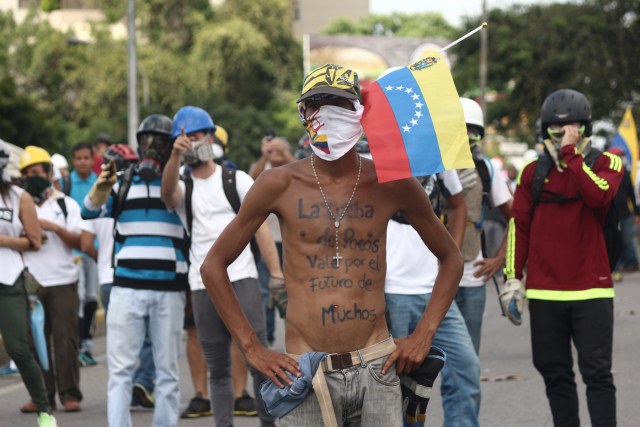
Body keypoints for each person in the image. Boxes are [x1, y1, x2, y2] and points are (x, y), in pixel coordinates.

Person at [200, 63, 463, 426]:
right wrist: (252, 349)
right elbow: (212, 265)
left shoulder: (393, 183)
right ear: (303, 115)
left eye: (340, 104)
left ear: (360, 113)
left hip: (377, 367)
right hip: (305, 375)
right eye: (317, 104)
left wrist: (423, 335)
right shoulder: (278, 183)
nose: (328, 114)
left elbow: (451, 257)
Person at [503, 89, 622, 427]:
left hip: (592, 291)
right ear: (545, 131)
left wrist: (571, 156)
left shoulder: (606, 162)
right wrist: (513, 277)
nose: (563, 135)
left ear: (584, 128)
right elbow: (519, 226)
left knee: (597, 375)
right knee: (555, 376)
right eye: (556, 131)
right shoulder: (531, 173)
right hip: (544, 293)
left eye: (572, 128)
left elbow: (599, 197)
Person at [162, 105, 284, 427]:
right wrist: (174, 158)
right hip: (202, 284)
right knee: (217, 369)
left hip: (241, 277)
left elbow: (260, 229)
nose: (190, 142)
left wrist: (275, 274)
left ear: (211, 136)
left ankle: (268, 422)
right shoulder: (184, 186)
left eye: (196, 135)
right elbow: (167, 195)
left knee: (260, 360)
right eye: (183, 138)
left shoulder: (236, 179)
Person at [82, 114, 188, 427]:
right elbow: (88, 211)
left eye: (159, 140)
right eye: (146, 139)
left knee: (167, 370)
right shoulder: (124, 181)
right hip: (125, 288)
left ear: (171, 146)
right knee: (120, 371)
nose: (152, 146)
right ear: (138, 143)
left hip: (169, 289)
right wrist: (102, 185)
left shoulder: (181, 181)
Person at [384, 167, 483, 427]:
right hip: (391, 291)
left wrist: (453, 254)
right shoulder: (369, 157)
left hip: (435, 290)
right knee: (397, 387)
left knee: (466, 371)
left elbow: (458, 205)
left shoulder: (435, 159)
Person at [19, 146, 84, 413]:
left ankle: (70, 394)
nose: (32, 178)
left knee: (65, 340)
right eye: (27, 174)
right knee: (35, 342)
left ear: (48, 172)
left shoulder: (65, 204)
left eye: (36, 172)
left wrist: (54, 228)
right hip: (30, 282)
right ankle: (42, 396)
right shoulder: (17, 205)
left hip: (62, 281)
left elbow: (79, 240)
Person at [445, 98, 513, 354]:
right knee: (426, 365)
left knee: (467, 360)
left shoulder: (487, 170)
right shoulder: (430, 168)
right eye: (458, 131)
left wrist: (501, 259)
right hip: (431, 281)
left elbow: (517, 218)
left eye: (471, 133)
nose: (465, 139)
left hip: (473, 279)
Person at [0, 141, 57, 427]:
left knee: (19, 348)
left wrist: (4, 241)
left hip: (9, 279)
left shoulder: (18, 197)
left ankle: (44, 409)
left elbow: (34, 241)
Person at [62, 141, 100, 367]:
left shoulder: (99, 182)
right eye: (78, 158)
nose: (83, 162)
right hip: (73, 251)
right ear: (73, 160)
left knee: (92, 298)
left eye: (87, 158)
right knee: (80, 296)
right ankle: (78, 346)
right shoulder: (66, 184)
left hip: (94, 250)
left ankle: (86, 343)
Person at [608, 146, 639, 279]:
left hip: (626, 214)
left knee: (627, 239)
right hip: (611, 215)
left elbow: (631, 194)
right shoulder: (605, 173)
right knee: (613, 240)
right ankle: (615, 267)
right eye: (617, 156)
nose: (620, 158)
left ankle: (631, 263)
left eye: (621, 156)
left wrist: (637, 213)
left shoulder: (625, 173)